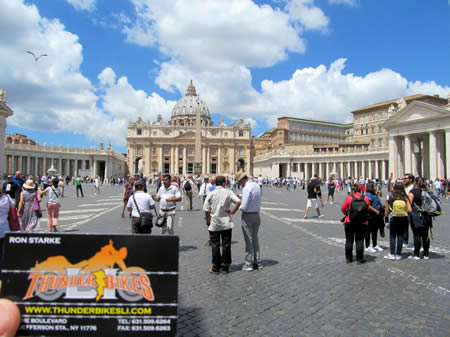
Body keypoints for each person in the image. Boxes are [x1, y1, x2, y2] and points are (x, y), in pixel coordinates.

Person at [203, 176, 241, 274]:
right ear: (224, 183)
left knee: (215, 245)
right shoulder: (228, 192)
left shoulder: (211, 194)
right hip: (226, 223)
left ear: (216, 183)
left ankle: (216, 267)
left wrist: (208, 221)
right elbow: (238, 201)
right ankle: (225, 267)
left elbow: (206, 209)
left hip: (214, 223)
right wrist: (232, 212)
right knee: (226, 245)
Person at [235, 171, 262, 271]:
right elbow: (252, 197)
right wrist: (240, 195)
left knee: (248, 240)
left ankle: (248, 263)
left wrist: (236, 207)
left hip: (248, 216)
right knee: (255, 238)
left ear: (242, 179)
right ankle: (258, 262)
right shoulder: (256, 185)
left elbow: (244, 207)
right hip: (256, 215)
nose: (239, 184)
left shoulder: (246, 188)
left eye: (239, 182)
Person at [340, 184, 370, 264]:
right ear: (360, 190)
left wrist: (347, 213)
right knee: (360, 240)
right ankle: (360, 259)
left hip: (350, 221)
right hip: (362, 222)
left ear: (353, 191)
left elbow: (343, 208)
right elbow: (367, 208)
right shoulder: (366, 198)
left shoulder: (350, 198)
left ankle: (348, 258)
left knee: (349, 240)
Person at [384, 182, 412, 260]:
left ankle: (392, 254)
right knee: (400, 236)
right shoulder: (405, 197)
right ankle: (398, 254)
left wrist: (386, 220)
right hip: (404, 218)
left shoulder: (389, 197)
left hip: (393, 218)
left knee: (392, 236)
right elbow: (410, 210)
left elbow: (386, 211)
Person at [408, 177, 433, 260]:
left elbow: (409, 204)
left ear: (415, 182)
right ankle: (426, 254)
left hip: (416, 215)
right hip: (427, 215)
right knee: (425, 235)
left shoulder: (413, 192)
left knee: (417, 234)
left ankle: (416, 254)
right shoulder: (427, 191)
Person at [364, 182, 383, 253]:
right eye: (375, 185)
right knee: (368, 231)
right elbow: (367, 205)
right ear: (371, 187)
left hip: (376, 215)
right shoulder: (369, 194)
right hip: (370, 215)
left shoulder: (374, 194)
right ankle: (367, 246)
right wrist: (375, 210)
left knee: (375, 230)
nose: (376, 186)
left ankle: (375, 244)